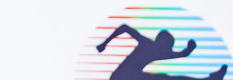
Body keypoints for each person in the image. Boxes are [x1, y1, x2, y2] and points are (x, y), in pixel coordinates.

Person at [96, 25, 226, 80]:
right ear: (161, 42)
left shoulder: (156, 50)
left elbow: (182, 54)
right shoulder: (148, 45)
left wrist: (190, 49)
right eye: (168, 47)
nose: (167, 51)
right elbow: (124, 27)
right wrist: (104, 43)